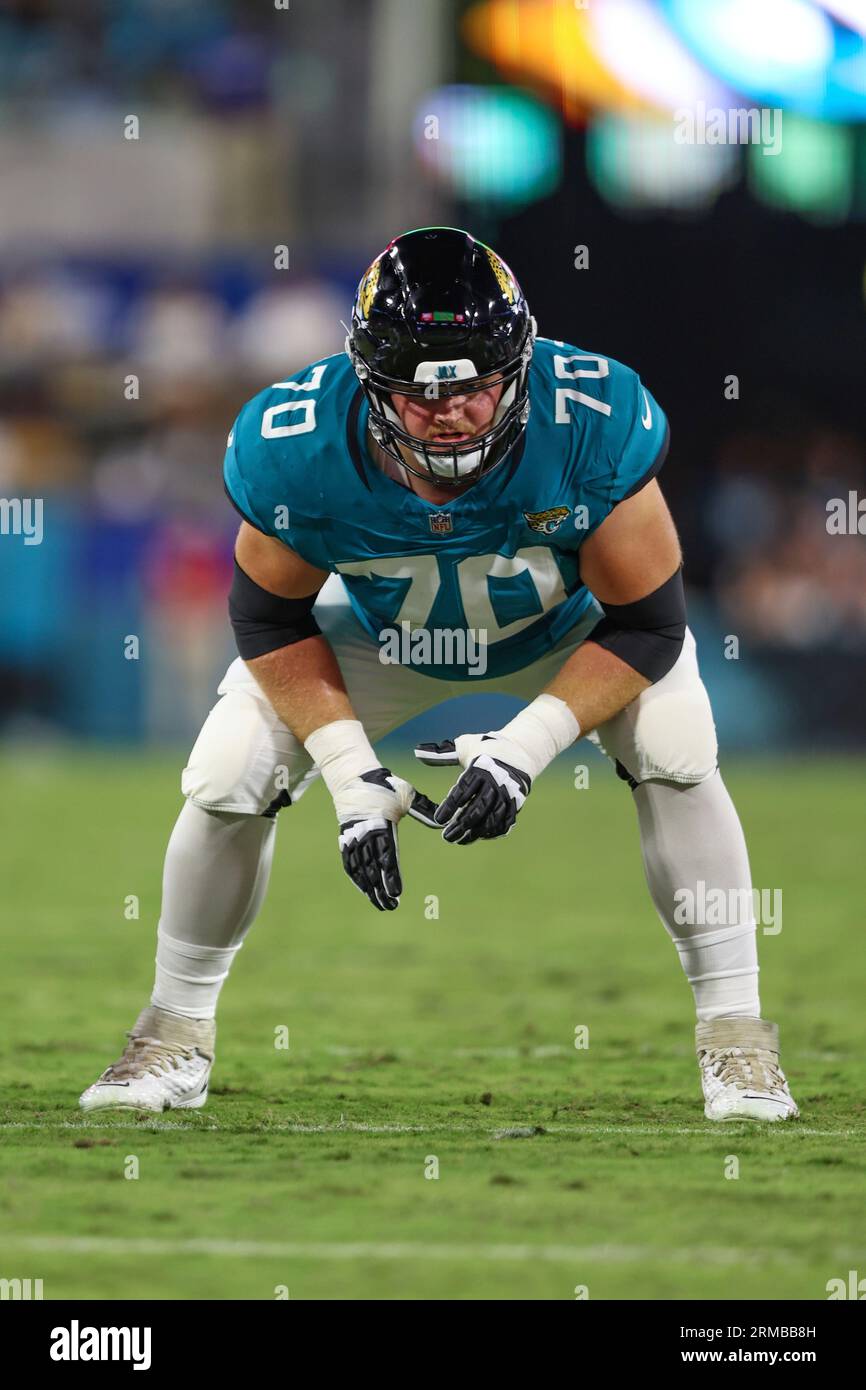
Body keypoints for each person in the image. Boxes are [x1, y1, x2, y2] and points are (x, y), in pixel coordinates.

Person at [80, 227, 798, 1123]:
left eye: (471, 384)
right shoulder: (298, 442)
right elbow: (269, 615)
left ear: (520, 364)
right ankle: (172, 1036)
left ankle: (736, 1039)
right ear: (369, 379)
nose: (448, 412)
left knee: (676, 746)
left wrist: (525, 747)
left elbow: (649, 622)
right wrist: (348, 773)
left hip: (563, 631)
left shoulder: (593, 420)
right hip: (380, 634)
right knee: (227, 772)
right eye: (418, 392)